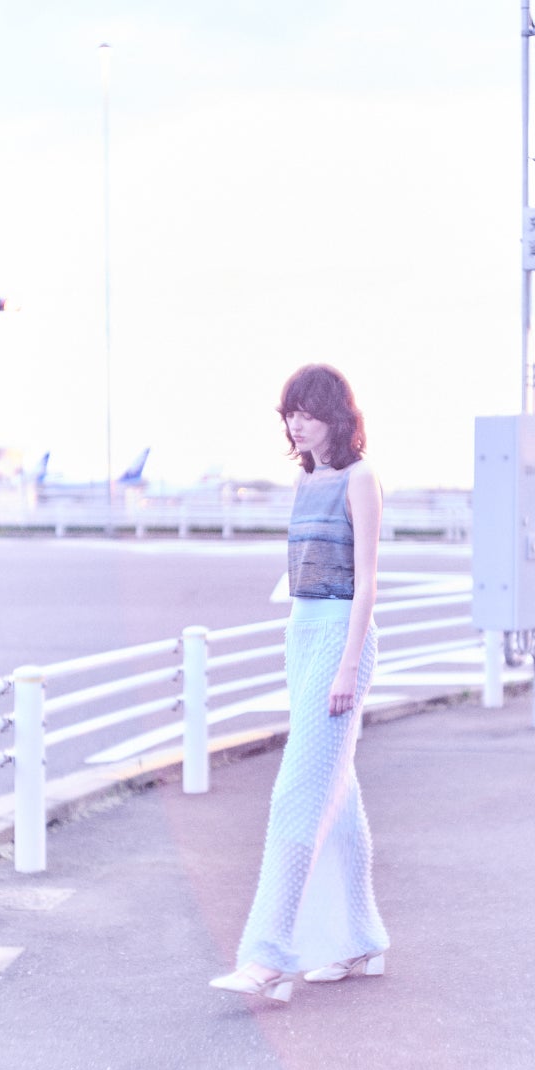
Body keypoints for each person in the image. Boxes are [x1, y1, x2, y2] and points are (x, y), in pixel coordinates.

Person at [209, 363, 390, 1003]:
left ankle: (267, 957)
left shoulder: (360, 478)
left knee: (296, 793)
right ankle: (358, 939)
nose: (296, 424)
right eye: (290, 414)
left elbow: (367, 579)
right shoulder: (305, 480)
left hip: (342, 637)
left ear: (335, 416)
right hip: (303, 633)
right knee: (337, 795)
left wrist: (348, 665)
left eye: (307, 414)